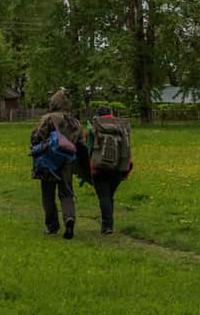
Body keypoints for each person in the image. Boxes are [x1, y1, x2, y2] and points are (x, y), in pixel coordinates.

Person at [30, 89, 83, 239]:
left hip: (48, 161)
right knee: (66, 193)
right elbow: (80, 143)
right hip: (67, 162)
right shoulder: (74, 121)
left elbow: (37, 137)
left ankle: (52, 226)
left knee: (48, 194)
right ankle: (69, 218)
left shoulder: (48, 118)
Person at [86, 105, 133, 235]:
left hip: (99, 167)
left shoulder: (95, 126)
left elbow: (88, 147)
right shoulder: (122, 126)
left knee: (104, 195)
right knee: (109, 195)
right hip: (119, 166)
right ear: (111, 114)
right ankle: (108, 224)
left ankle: (107, 226)